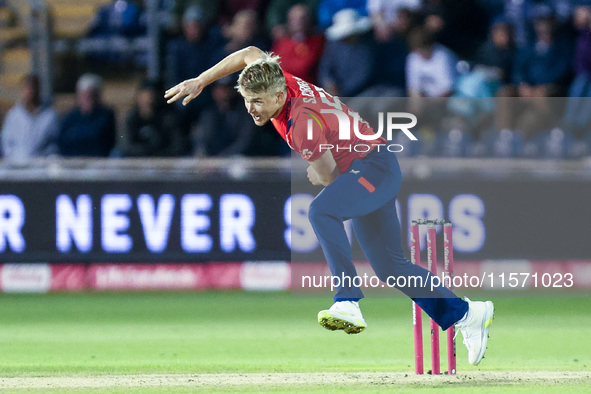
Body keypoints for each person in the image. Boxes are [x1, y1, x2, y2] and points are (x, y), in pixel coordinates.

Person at [164, 46, 495, 366]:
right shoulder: (279, 77)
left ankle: (347, 300)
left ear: (278, 97)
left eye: (258, 102)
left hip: (371, 169)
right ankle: (467, 314)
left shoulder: (301, 124)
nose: (251, 108)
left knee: (321, 211)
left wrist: (316, 170)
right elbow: (247, 53)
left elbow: (331, 178)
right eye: (248, 100)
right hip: (373, 165)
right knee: (391, 268)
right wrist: (202, 80)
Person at [1, 74, 59, 161]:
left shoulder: (50, 115)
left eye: (32, 88)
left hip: (42, 166)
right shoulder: (13, 115)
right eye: (26, 88)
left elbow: (55, 143)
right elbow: (6, 143)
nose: (29, 92)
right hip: (17, 166)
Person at [57, 74, 116, 157]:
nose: (88, 98)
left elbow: (102, 142)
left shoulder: (106, 116)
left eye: (92, 94)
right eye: (85, 94)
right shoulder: (70, 117)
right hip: (72, 163)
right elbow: (62, 143)